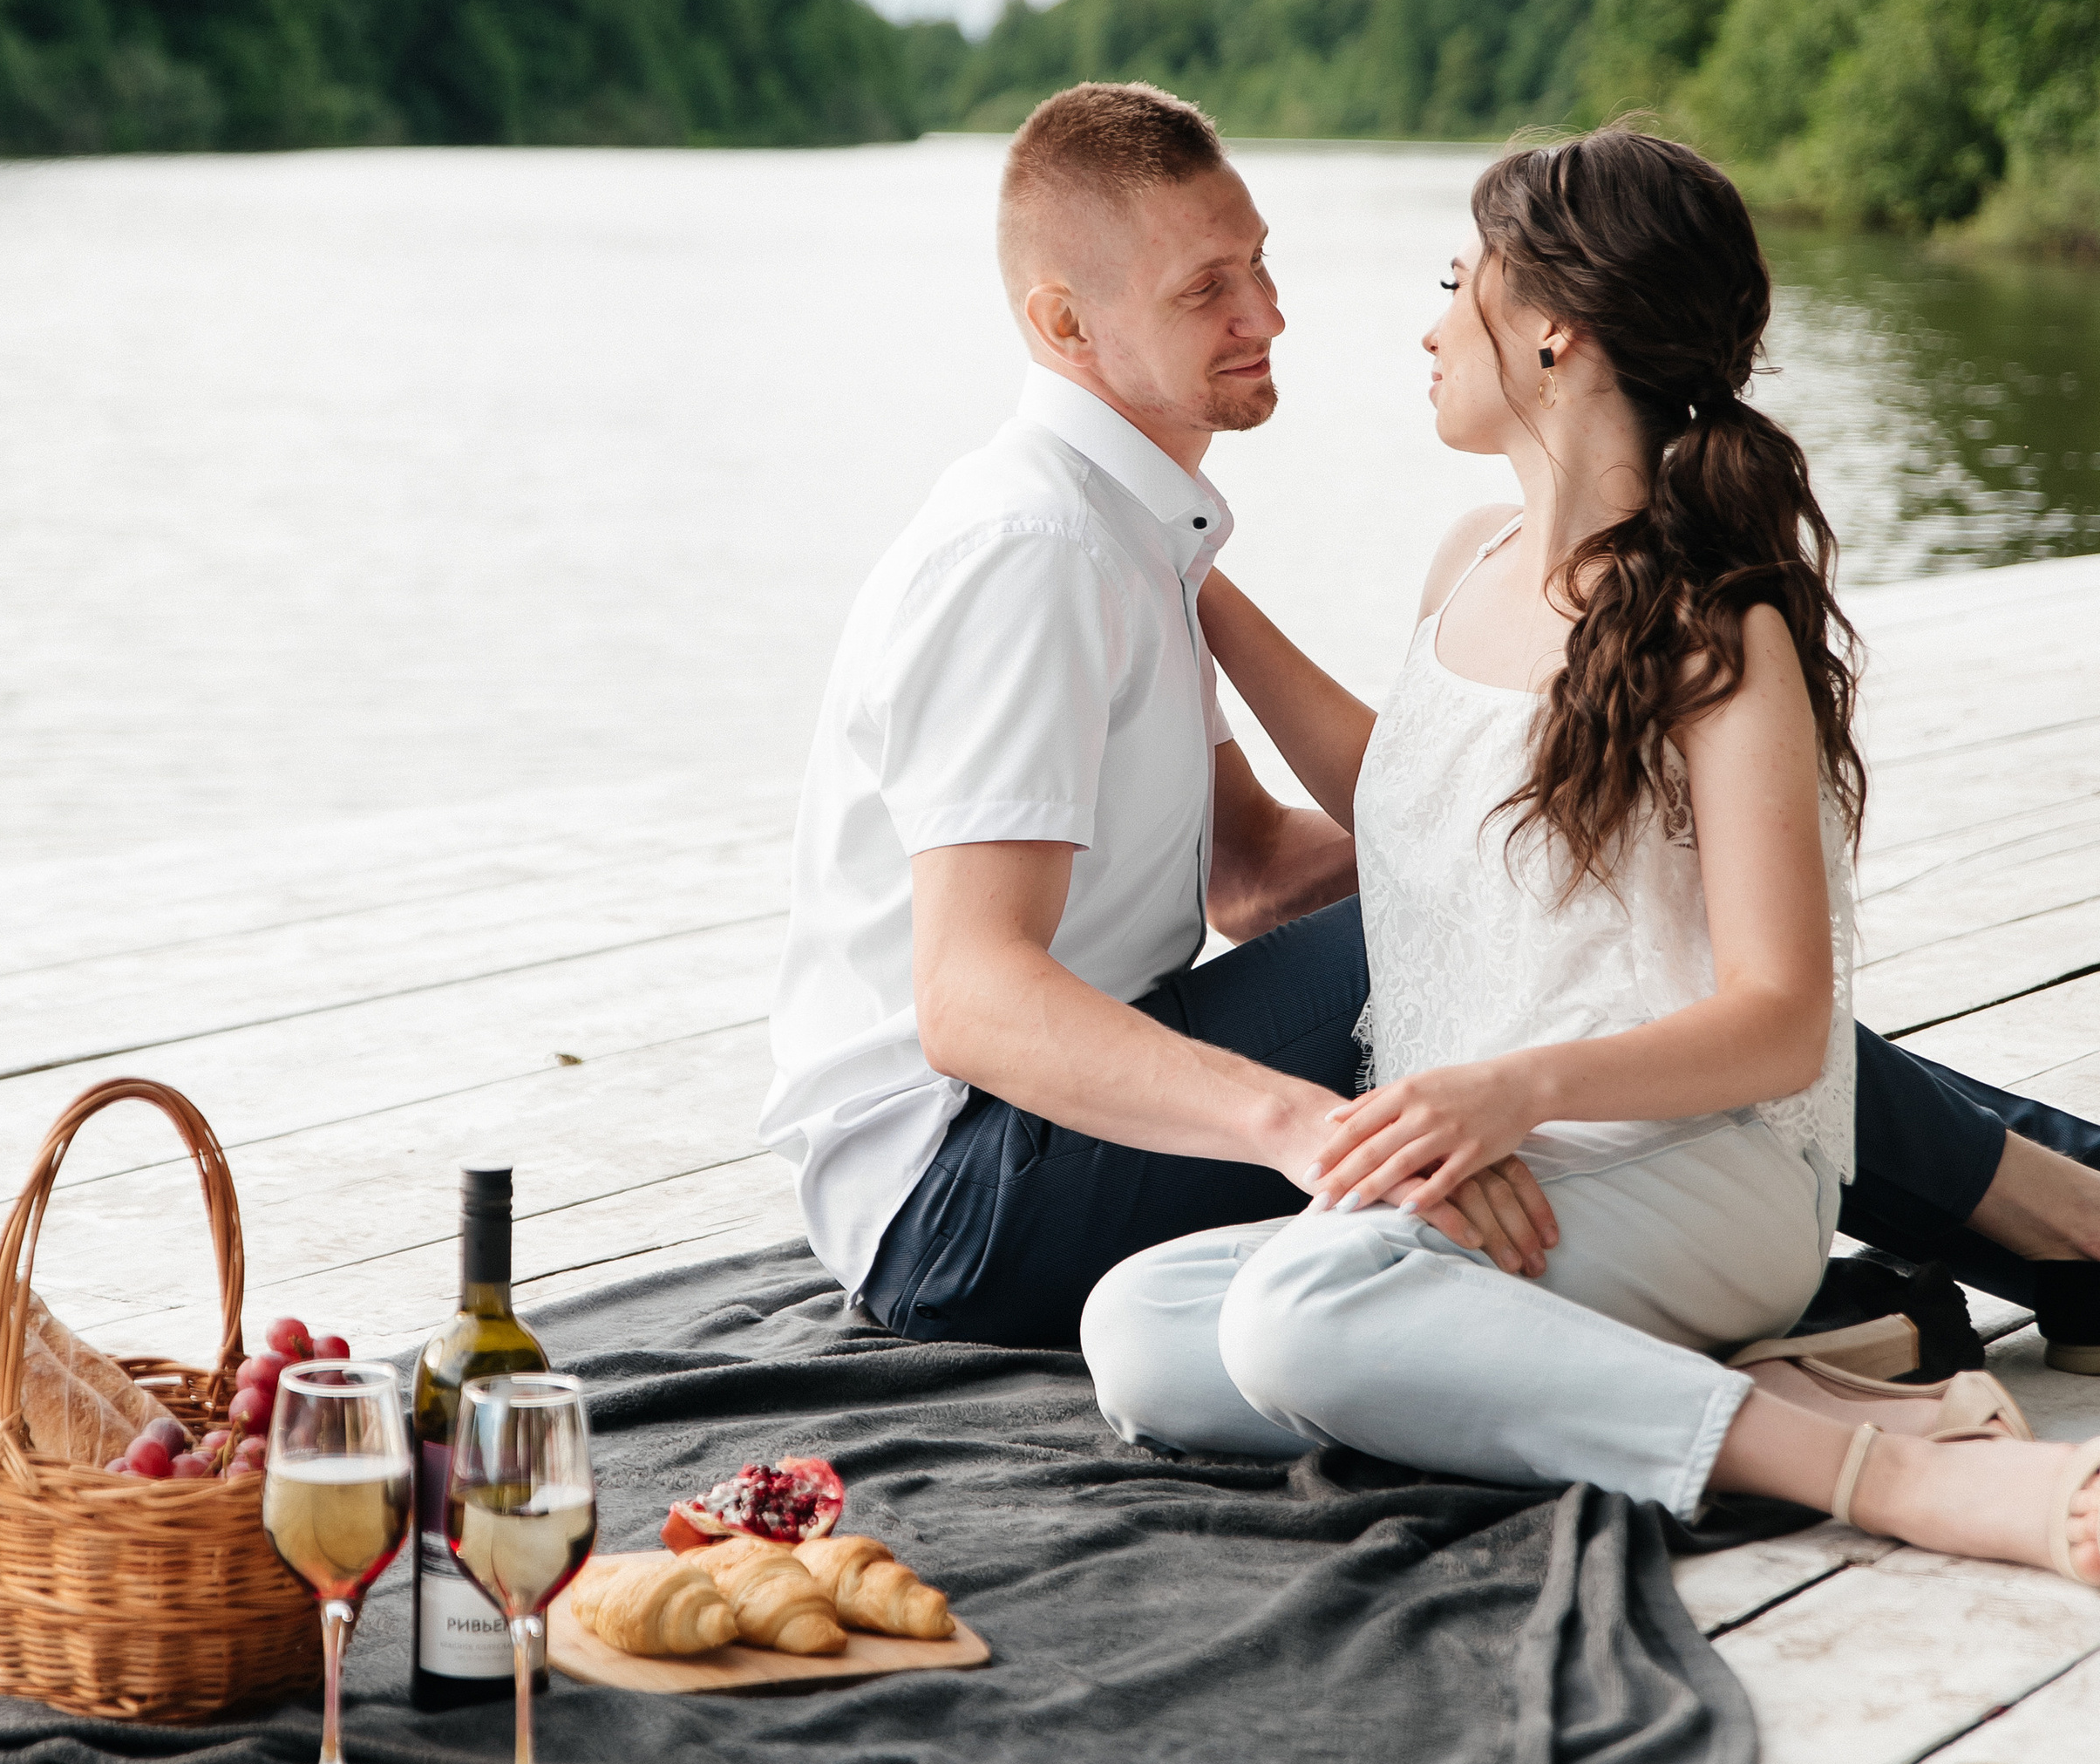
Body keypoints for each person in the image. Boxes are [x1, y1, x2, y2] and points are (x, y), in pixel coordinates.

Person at [759, 79, 2100, 1386]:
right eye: (1204, 290)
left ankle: (2009, 1227)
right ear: (1065, 323)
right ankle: (2066, 1208)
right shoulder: (1040, 553)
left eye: (1259, 264)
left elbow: (1256, 877)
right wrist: (1309, 1128)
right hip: (964, 1188)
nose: (1269, 314)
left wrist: (1615, 863)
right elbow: (971, 999)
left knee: (1613, 939)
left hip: (1059, 1123)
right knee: (1536, 952)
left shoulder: (1127, 540)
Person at [1077, 126, 2098, 1582]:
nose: (1428, 323)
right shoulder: (1468, 561)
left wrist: (1515, 1091)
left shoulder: (1718, 623)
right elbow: (1413, 797)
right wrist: (1187, 575)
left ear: (1553, 331)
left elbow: (1782, 1014)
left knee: (1300, 1319)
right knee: (1139, 1331)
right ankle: (1771, 1374)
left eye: (1456, 281)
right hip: (1498, 1168)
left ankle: (1888, 1474)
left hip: (1695, 1167)